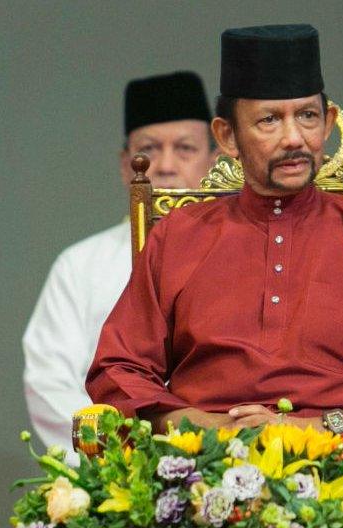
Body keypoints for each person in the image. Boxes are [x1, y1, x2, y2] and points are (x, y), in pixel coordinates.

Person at [86, 24, 343, 445]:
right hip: (204, 471)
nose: (294, 138)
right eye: (269, 120)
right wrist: (207, 429)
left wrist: (322, 428)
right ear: (227, 137)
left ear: (328, 124)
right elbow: (117, 371)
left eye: (307, 116)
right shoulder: (179, 238)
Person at [23, 72, 217, 462]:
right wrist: (124, 457)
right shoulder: (80, 265)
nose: (164, 165)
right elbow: (50, 383)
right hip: (118, 476)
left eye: (184, 148)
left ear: (216, 160)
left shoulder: (248, 253)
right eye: (148, 149)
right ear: (125, 164)